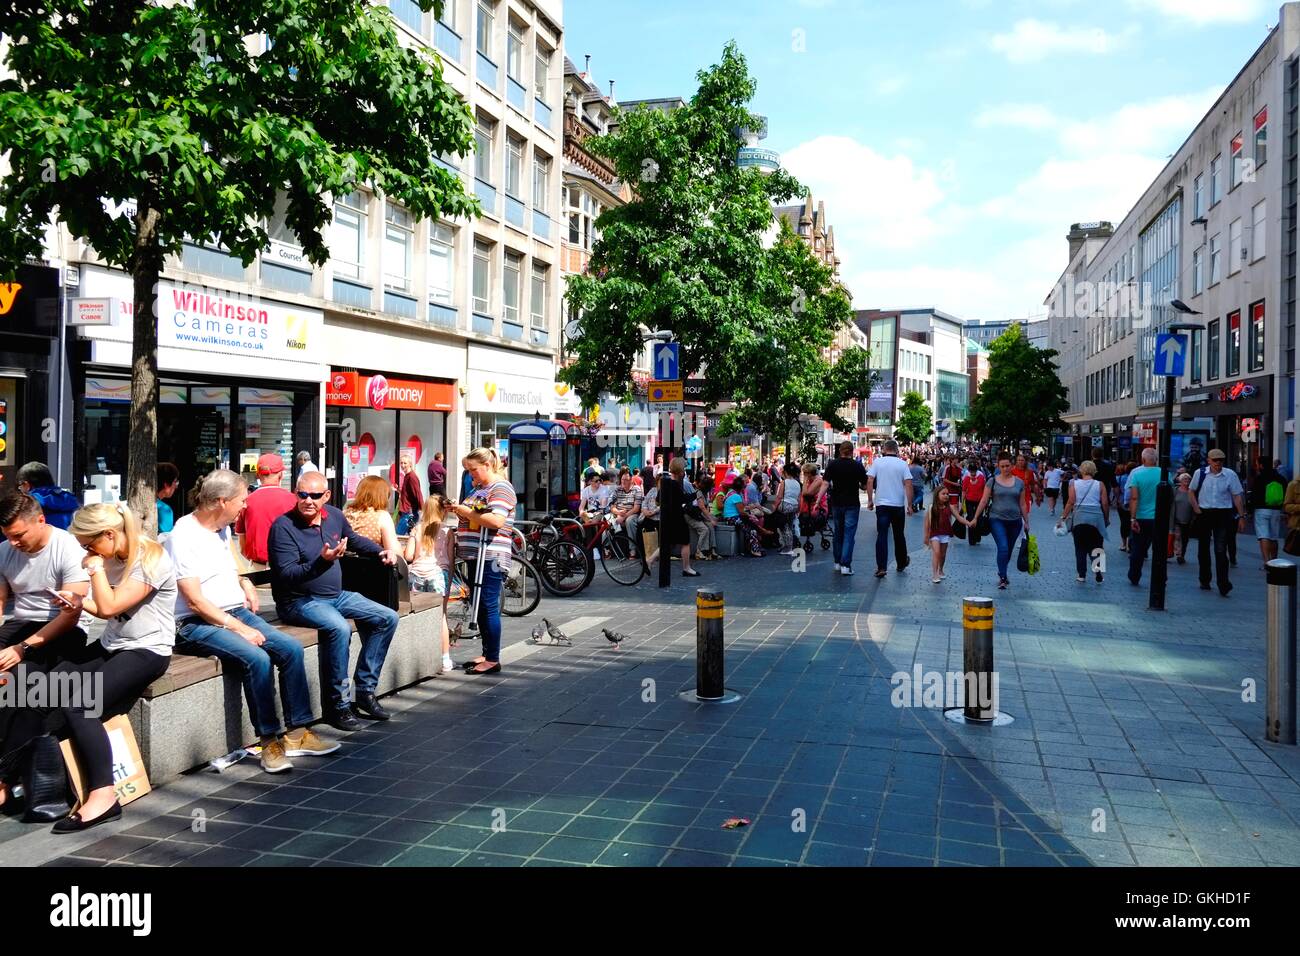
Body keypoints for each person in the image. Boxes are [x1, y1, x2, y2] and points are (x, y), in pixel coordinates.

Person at [167, 470, 338, 774]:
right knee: (257, 659)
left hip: (235, 611)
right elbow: (194, 600)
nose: (245, 507)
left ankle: (297, 733)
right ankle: (268, 739)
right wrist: (240, 628)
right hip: (196, 622)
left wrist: (243, 584)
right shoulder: (183, 535)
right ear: (221, 502)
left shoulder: (220, 528)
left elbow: (223, 570)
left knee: (291, 649)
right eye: (241, 501)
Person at [38, 503, 176, 832]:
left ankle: (104, 796)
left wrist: (95, 570)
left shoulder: (150, 558)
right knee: (45, 687)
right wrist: (76, 601)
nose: (86, 552)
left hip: (147, 650)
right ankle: (28, 778)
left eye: (89, 544)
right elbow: (106, 608)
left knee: (81, 706)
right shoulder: (110, 556)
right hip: (113, 644)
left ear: (110, 535)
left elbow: (110, 605)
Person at [269, 470, 400, 730]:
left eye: (315, 496)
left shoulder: (335, 517)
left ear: (326, 496)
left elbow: (355, 540)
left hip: (335, 596)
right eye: (303, 494)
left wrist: (380, 551)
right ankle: (337, 705)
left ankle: (364, 690)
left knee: (387, 617)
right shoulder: (283, 527)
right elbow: (286, 575)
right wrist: (322, 562)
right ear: (296, 494)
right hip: (299, 601)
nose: (308, 500)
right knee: (339, 628)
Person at [0, 492, 93, 811]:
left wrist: (22, 649)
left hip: (63, 629)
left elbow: (72, 613)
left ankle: (4, 778)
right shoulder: (4, 551)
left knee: (23, 686)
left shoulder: (67, 548)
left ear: (40, 520)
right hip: (21, 624)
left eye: (18, 535)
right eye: (8, 537)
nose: (13, 543)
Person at [449, 448, 516, 675]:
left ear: (487, 466)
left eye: (473, 470)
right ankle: (487, 653)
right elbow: (473, 515)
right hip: (476, 553)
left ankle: (493, 658)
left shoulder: (501, 488)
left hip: (491, 554)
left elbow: (496, 520)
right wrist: (459, 511)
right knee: (479, 604)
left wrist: (465, 512)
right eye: (468, 471)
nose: (470, 475)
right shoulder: (480, 488)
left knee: (488, 605)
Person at [404, 494, 456, 677]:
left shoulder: (417, 529)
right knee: (440, 617)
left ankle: (414, 660)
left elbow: (409, 556)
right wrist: (448, 582)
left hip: (417, 574)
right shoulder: (447, 531)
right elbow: (450, 560)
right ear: (442, 511)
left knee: (416, 616)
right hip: (437, 575)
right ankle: (445, 658)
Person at [1187, 448, 1246, 597]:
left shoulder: (1230, 475)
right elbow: (1191, 491)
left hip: (1223, 514)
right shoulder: (1199, 474)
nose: (1218, 463)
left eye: (1221, 460)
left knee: (1220, 549)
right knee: (1203, 548)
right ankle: (1204, 579)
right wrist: (1196, 509)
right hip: (1205, 513)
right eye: (1215, 460)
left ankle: (1223, 583)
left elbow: (1237, 496)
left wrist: (1241, 516)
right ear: (1208, 460)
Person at [972, 455, 1029, 591]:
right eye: (1002, 466)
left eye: (1007, 466)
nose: (1005, 469)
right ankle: (1002, 576)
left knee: (1008, 550)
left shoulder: (1019, 482)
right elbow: (984, 500)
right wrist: (975, 517)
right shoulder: (992, 481)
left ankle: (1003, 571)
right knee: (1003, 547)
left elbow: (1022, 504)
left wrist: (1026, 521)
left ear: (1012, 465)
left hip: (1015, 521)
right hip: (996, 519)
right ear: (998, 466)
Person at [235, 454, 297, 570]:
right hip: (289, 568)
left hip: (257, 568)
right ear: (281, 475)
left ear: (258, 475)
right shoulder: (294, 500)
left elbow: (242, 546)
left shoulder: (246, 501)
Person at [866, 440, 912, 579]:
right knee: (899, 535)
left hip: (882, 505)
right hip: (897, 505)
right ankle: (901, 562)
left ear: (884, 449)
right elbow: (908, 484)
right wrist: (909, 504)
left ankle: (881, 567)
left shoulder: (878, 462)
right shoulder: (902, 464)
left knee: (882, 535)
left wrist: (870, 500)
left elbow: (869, 480)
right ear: (897, 450)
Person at [645, 459, 699, 577]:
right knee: (685, 542)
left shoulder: (664, 482)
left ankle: (649, 560)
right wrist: (696, 493)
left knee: (667, 543)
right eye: (683, 469)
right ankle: (687, 568)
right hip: (677, 517)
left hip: (666, 517)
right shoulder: (675, 484)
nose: (684, 471)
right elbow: (683, 499)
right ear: (680, 470)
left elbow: (658, 501)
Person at [1058, 459, 1109, 584]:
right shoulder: (1100, 484)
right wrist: (1106, 518)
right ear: (1094, 471)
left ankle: (1081, 575)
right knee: (1097, 546)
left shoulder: (1074, 484)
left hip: (1079, 518)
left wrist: (1063, 518)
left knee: (1080, 547)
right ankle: (1099, 573)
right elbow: (1105, 503)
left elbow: (1070, 502)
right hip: (1096, 519)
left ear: (1081, 470)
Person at [1125, 448, 1163, 587]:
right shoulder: (1164, 474)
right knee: (1159, 549)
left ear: (1143, 460)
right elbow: (1169, 495)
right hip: (1159, 518)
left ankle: (1134, 575)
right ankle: (1160, 577)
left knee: (1138, 549)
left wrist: (1133, 518)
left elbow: (1134, 497)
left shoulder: (1137, 474)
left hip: (1141, 517)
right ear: (1156, 460)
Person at [923, 486, 972, 584]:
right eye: (943, 494)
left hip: (945, 533)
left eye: (947, 494)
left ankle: (941, 569)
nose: (946, 496)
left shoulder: (950, 507)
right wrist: (926, 536)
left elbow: (958, 517)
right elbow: (927, 523)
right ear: (937, 495)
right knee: (936, 552)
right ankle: (935, 574)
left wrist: (968, 523)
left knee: (943, 554)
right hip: (934, 533)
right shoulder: (932, 507)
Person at [344, 475, 402, 554]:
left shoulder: (344, 513)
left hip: (345, 564)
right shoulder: (382, 516)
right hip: (373, 564)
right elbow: (394, 554)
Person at [15, 462, 78, 531]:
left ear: (27, 485)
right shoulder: (69, 498)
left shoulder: (28, 503)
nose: (20, 490)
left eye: (20, 487)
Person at [1251, 458, 1288, 566]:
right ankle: (1275, 560)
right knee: (1273, 537)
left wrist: (1249, 510)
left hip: (1261, 509)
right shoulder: (1280, 478)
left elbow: (1254, 495)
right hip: (1276, 510)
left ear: (1261, 465)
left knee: (1263, 536)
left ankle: (1267, 562)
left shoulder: (1259, 478)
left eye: (1257, 464)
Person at [722, 476, 763, 558]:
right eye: (744, 485)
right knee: (751, 530)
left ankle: (753, 547)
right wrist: (750, 515)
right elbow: (741, 512)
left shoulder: (731, 493)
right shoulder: (736, 496)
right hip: (732, 518)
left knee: (751, 525)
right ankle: (754, 549)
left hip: (730, 517)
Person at [609, 471, 644, 557]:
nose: (623, 482)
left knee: (629, 521)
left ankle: (632, 549)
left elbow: (636, 508)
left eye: (626, 480)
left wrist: (623, 517)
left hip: (632, 513)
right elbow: (612, 507)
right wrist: (618, 513)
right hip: (619, 513)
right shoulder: (617, 489)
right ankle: (607, 549)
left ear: (631, 480)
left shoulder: (637, 489)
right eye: (622, 479)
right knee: (606, 520)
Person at [395, 453, 424, 536]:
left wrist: (423, 510)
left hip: (409, 512)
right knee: (410, 536)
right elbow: (408, 493)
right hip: (407, 511)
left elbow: (418, 493)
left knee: (398, 535)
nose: (402, 465)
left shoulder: (412, 476)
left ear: (410, 464)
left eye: (405, 463)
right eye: (401, 463)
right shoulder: (407, 476)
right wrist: (398, 490)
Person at [961, 459, 987, 547]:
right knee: (971, 519)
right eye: (971, 472)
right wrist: (962, 502)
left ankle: (978, 536)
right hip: (969, 501)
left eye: (974, 472)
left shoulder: (981, 477)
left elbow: (984, 489)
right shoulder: (966, 478)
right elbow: (964, 491)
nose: (973, 474)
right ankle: (972, 540)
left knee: (979, 519)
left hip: (979, 501)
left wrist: (985, 501)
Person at [1172, 473, 1195, 564]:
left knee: (1185, 539)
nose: (1186, 480)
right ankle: (1179, 555)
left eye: (1188, 479)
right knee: (1177, 537)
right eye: (1184, 479)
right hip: (1176, 518)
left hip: (1188, 519)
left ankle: (1182, 554)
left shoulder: (1192, 492)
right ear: (1180, 481)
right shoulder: (1175, 491)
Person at [156, 462, 180, 534]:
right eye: (175, 482)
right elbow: (166, 540)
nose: (176, 486)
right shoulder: (164, 509)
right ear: (166, 484)